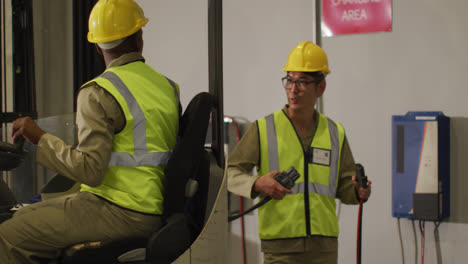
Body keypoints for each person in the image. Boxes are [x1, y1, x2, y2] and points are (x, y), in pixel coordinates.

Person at [0, 0, 180, 263]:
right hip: (148, 208)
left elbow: (89, 171)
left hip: (117, 211)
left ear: (97, 46)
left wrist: (40, 138)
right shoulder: (167, 86)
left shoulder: (98, 92)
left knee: (7, 235)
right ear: (139, 36)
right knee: (21, 216)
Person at [227, 41, 372, 264]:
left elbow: (344, 187)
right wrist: (256, 184)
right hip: (280, 249)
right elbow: (229, 173)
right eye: (290, 81)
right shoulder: (264, 128)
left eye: (303, 82)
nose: (293, 90)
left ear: (320, 87)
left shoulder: (335, 132)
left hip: (324, 249)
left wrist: (357, 191)